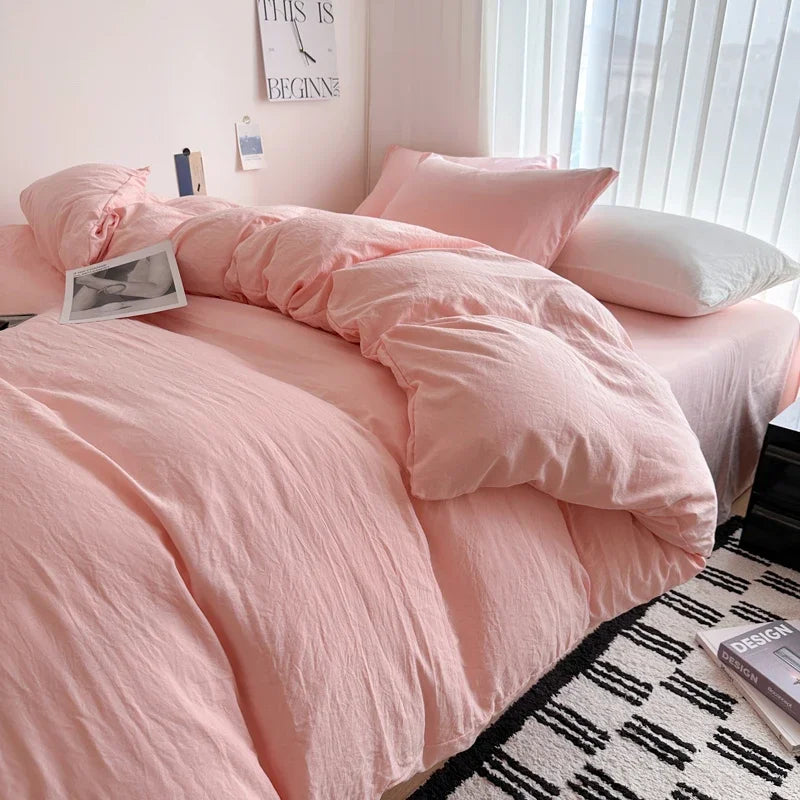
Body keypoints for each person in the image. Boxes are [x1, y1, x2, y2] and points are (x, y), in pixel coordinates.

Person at [71, 255, 174, 313]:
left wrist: (94, 281)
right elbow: (77, 307)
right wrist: (97, 272)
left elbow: (158, 289)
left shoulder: (157, 253)